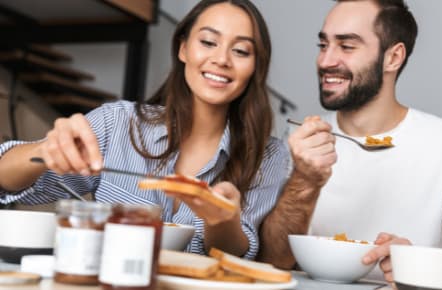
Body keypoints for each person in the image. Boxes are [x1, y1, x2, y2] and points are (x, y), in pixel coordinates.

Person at [0, 0, 289, 259]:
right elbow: (7, 181)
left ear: (255, 67)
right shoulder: (118, 124)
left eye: (240, 50)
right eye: (208, 42)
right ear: (183, 48)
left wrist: (221, 220)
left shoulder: (267, 156)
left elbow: (237, 255)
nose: (222, 59)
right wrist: (43, 149)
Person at [258, 0, 442, 287]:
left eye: (346, 47)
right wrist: (304, 181)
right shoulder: (300, 141)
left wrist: (421, 269)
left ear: (393, 57)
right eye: (323, 45)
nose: (325, 61)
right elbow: (270, 264)